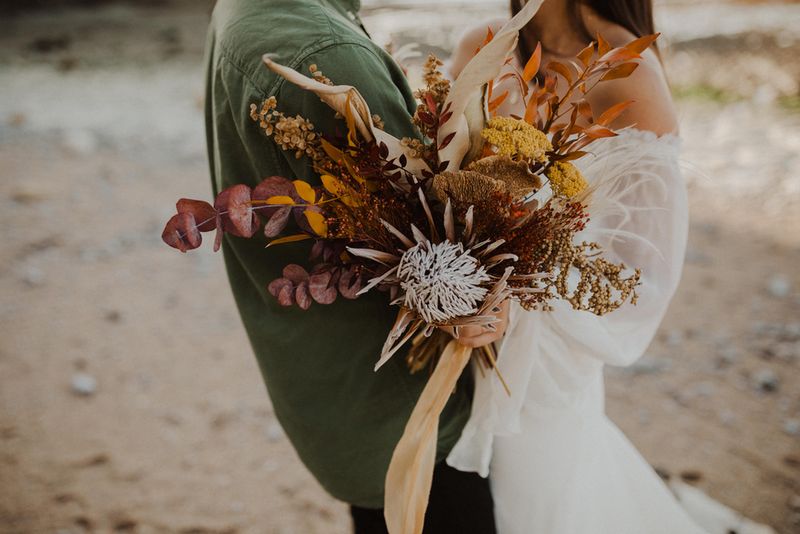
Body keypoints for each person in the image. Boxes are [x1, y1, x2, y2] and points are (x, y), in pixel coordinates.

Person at [445, 1, 775, 533]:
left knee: (531, 503)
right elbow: (430, 178)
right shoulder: (478, 46)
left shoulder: (630, 74)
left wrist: (515, 298)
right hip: (442, 331)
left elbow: (644, 270)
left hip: (544, 357)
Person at [203, 0, 498, 532]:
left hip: (338, 400)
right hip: (413, 419)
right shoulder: (327, 55)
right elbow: (431, 252)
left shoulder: (245, 10)